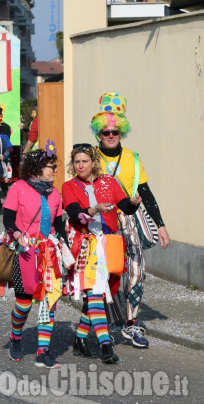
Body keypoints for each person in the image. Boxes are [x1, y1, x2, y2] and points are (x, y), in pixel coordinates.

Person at [91, 93, 168, 348]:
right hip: (103, 225)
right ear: (98, 134)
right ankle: (108, 324)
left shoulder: (133, 158)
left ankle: (132, 324)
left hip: (130, 222)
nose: (111, 135)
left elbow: (145, 192)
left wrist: (161, 225)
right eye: (106, 132)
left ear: (121, 132)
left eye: (115, 131)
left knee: (136, 272)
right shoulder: (90, 159)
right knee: (106, 274)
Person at [62, 143, 140, 364]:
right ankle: (105, 345)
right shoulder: (69, 186)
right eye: (77, 162)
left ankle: (79, 339)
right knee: (95, 293)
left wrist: (133, 204)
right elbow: (74, 213)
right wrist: (93, 210)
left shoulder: (108, 182)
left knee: (95, 294)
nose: (80, 165)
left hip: (109, 245)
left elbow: (124, 205)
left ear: (93, 162)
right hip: (86, 245)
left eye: (84, 161)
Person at [1, 149, 69, 368]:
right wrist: (17, 233)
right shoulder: (18, 188)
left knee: (50, 301)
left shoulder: (55, 193)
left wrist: (66, 248)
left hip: (48, 252)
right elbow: (8, 218)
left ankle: (43, 352)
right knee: (24, 301)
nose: (55, 170)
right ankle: (16, 337)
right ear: (38, 169)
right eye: (51, 167)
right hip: (25, 252)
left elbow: (59, 224)